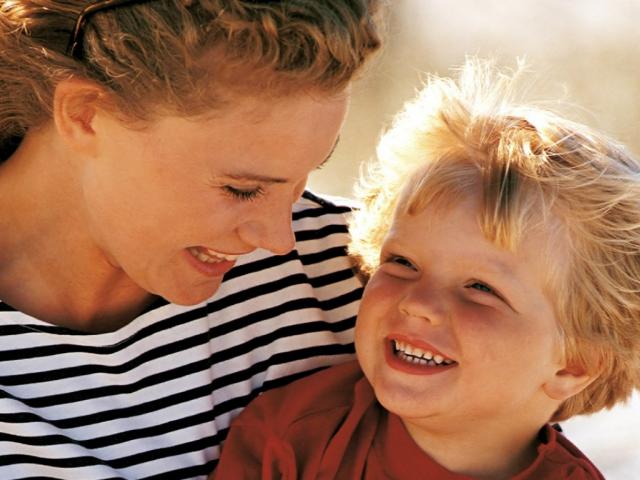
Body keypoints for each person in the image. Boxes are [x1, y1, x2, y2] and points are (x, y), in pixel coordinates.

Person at [0, 0, 383, 478]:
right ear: (85, 113)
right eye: (241, 189)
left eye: (303, 177)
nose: (280, 239)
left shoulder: (374, 281)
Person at [212, 59, 640, 479]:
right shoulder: (296, 438)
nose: (417, 303)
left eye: (480, 287)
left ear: (573, 365)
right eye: (402, 262)